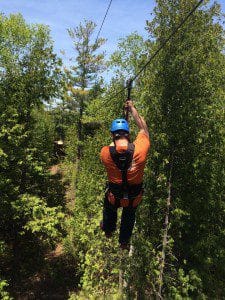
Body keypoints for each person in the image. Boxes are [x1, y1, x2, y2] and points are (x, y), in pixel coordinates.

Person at [100, 100, 150, 250]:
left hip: (115, 197)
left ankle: (108, 230)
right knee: (129, 215)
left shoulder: (105, 153)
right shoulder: (140, 149)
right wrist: (132, 109)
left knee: (109, 206)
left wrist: (118, 143)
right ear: (128, 134)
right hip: (133, 198)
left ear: (112, 135)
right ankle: (123, 241)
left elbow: (113, 147)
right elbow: (144, 129)